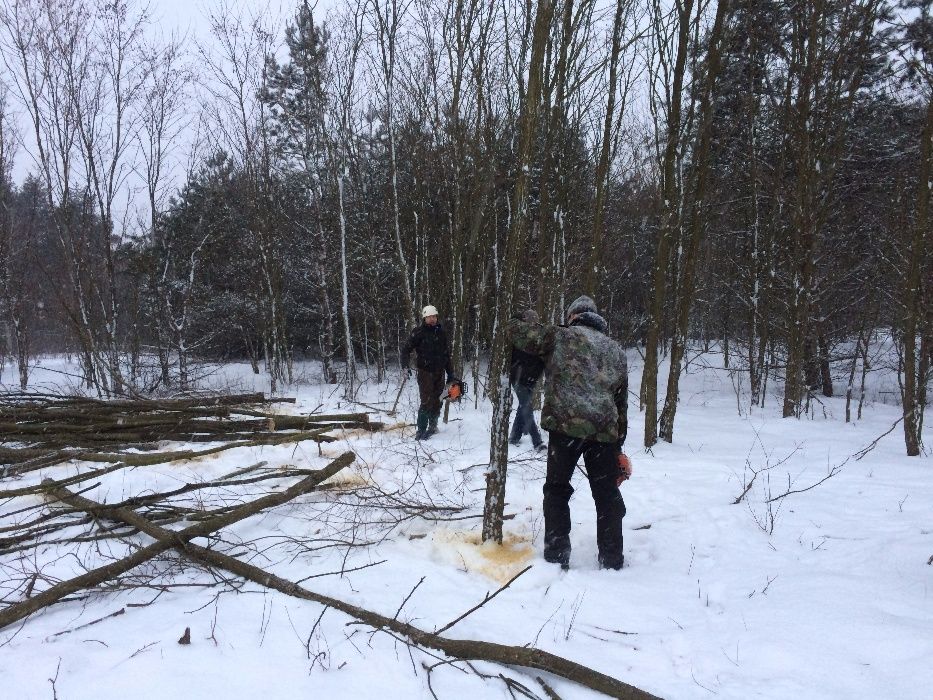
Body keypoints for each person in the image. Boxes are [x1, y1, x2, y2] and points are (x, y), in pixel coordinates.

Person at [509, 295, 631, 570]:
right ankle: (612, 559)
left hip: (565, 430)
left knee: (556, 490)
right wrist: (618, 448)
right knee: (606, 496)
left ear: (573, 316)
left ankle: (556, 555)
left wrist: (521, 318)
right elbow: (621, 404)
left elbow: (518, 334)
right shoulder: (616, 350)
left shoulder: (560, 336)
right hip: (603, 434)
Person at [401, 305, 456, 440]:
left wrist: (450, 373)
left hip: (439, 371)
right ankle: (421, 430)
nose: (432, 319)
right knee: (426, 401)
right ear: (424, 318)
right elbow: (405, 350)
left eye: (434, 317)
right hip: (425, 372)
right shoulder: (418, 332)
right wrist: (405, 366)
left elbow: (446, 354)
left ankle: (433, 425)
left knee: (439, 399)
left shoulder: (441, 332)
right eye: (429, 317)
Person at [509, 309, 545, 451]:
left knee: (523, 407)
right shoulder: (518, 337)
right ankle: (537, 442)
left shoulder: (539, 336)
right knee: (527, 407)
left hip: (531, 379)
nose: (533, 325)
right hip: (518, 378)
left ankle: (514, 436)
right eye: (530, 321)